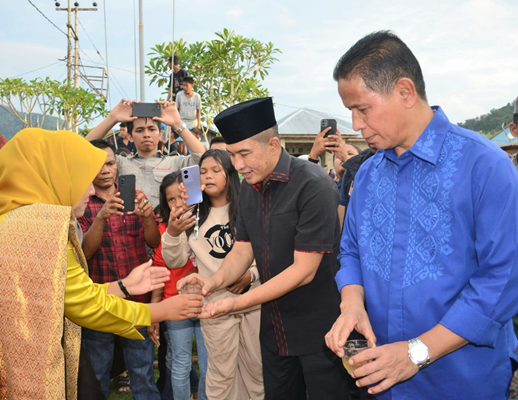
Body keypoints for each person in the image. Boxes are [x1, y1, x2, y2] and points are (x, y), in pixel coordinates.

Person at [325, 31, 518, 400]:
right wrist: (352, 306)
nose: (354, 124)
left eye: (362, 109)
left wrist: (416, 352)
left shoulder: (483, 166)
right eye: (350, 111)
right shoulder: (366, 173)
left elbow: (503, 280)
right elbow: (350, 252)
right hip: (380, 378)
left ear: (405, 92)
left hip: (462, 380)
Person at [0, 128, 204, 400]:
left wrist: (123, 285)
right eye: (84, 178)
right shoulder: (44, 227)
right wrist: (160, 310)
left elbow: (70, 294)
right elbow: (86, 304)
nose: (90, 190)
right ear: (59, 177)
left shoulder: (16, 217)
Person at [179, 98, 351, 399]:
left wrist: (238, 302)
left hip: (321, 329)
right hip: (274, 329)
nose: (238, 165)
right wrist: (213, 281)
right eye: (232, 155)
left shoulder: (313, 184)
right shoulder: (248, 189)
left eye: (245, 153)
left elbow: (303, 271)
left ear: (273, 144)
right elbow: (242, 250)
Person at [162, 150, 264, 400]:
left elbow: (268, 251)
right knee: (220, 373)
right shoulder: (193, 215)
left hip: (254, 301)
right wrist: (173, 233)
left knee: (256, 369)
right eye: (203, 171)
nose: (207, 176)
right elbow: (174, 260)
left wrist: (250, 275)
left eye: (215, 170)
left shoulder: (251, 207)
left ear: (230, 175)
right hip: (214, 304)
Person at [78, 139, 162, 400]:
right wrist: (101, 216)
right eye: (99, 164)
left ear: (117, 166)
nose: (106, 170)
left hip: (136, 302)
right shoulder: (81, 203)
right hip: (99, 302)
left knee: (143, 373)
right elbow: (84, 254)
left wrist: (147, 217)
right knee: (98, 374)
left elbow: (153, 242)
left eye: (111, 163)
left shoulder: (136, 197)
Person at [86, 99, 206, 208]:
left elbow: (202, 159)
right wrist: (112, 118)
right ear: (130, 137)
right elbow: (84, 149)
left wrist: (177, 124)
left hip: (168, 229)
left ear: (160, 134)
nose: (146, 134)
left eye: (152, 129)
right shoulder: (120, 163)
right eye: (139, 130)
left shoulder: (176, 161)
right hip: (128, 228)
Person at [149, 171, 206, 400]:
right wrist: (154, 311)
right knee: (181, 362)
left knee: (208, 362)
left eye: (182, 196)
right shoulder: (164, 230)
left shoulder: (207, 221)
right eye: (171, 199)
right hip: (175, 305)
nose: (178, 203)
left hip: (206, 303)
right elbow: (160, 271)